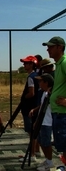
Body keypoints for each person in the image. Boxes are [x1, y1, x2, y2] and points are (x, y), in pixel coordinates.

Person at [42, 36, 66, 170]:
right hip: (59, 113)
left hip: (64, 113)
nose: (48, 49)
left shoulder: (64, 63)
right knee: (62, 145)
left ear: (60, 47)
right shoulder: (59, 65)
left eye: (51, 46)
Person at [29, 73, 54, 171]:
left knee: (46, 143)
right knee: (41, 141)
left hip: (47, 122)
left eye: (40, 81)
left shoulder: (51, 94)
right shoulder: (44, 93)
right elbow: (42, 107)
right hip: (42, 121)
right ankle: (47, 160)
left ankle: (50, 162)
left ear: (46, 83)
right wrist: (37, 118)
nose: (39, 83)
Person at [19, 55, 40, 162]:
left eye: (26, 63)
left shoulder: (31, 77)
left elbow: (31, 93)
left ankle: (32, 155)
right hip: (35, 106)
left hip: (29, 108)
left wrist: (24, 98)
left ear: (32, 64)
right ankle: (36, 150)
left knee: (31, 132)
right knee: (34, 131)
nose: (24, 65)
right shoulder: (37, 75)